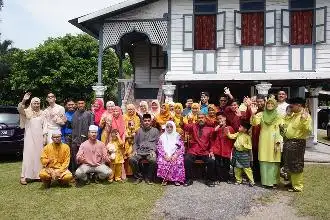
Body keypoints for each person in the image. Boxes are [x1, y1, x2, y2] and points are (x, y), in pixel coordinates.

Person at [251, 98, 283, 188]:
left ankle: (274, 181)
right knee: (264, 159)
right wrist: (253, 113)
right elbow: (254, 123)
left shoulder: (278, 115)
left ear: (275, 105)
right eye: (268, 103)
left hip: (274, 139)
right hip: (264, 139)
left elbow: (282, 126)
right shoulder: (261, 114)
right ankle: (265, 182)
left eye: (272, 104)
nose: (269, 105)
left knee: (274, 159)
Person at [282, 97, 311, 192]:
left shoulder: (305, 115)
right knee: (289, 164)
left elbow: (308, 130)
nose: (290, 106)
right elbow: (284, 125)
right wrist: (288, 115)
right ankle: (292, 182)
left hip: (297, 143)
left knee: (296, 164)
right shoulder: (293, 115)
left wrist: (303, 120)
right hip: (288, 142)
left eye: (292, 105)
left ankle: (297, 186)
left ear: (299, 105)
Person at [18, 93, 47, 185]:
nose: (36, 105)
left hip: (39, 137)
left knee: (39, 156)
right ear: (31, 103)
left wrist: (45, 137)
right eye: (34, 103)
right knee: (28, 155)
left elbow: (45, 125)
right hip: (29, 137)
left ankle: (38, 175)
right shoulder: (26, 112)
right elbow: (19, 109)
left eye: (38, 103)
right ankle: (24, 176)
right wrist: (24, 100)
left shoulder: (42, 113)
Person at [183, 113, 216, 187]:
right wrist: (182, 120)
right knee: (187, 159)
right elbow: (184, 126)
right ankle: (189, 179)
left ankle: (209, 180)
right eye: (199, 118)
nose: (200, 119)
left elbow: (212, 142)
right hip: (193, 150)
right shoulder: (193, 126)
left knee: (211, 161)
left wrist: (211, 151)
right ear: (197, 119)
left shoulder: (209, 129)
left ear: (205, 119)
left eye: (202, 118)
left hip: (204, 151)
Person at [129, 114, 159, 184]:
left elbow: (157, 143)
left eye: (148, 121)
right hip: (140, 151)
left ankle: (148, 178)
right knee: (132, 159)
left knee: (153, 160)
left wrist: (153, 151)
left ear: (151, 122)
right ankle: (138, 177)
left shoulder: (155, 131)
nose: (147, 122)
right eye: (145, 121)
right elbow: (135, 142)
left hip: (150, 151)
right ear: (142, 121)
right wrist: (135, 150)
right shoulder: (139, 131)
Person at [157, 121, 185, 186]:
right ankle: (165, 179)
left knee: (178, 161)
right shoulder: (162, 136)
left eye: (171, 127)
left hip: (175, 154)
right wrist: (165, 155)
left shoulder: (177, 136)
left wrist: (176, 155)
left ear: (173, 127)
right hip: (165, 155)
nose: (169, 128)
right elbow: (159, 147)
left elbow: (181, 146)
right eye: (167, 127)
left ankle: (176, 179)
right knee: (162, 161)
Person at [227, 121, 255, 186]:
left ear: (245, 129)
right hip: (237, 153)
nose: (239, 127)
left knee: (247, 168)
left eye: (240, 127)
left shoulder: (248, 137)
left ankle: (251, 181)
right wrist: (228, 133)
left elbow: (250, 146)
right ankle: (238, 180)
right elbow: (232, 136)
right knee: (237, 168)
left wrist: (244, 145)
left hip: (244, 154)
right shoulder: (238, 134)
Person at [71, 99, 94, 173]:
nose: (81, 105)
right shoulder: (74, 114)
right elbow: (73, 127)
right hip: (75, 140)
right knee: (76, 156)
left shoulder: (89, 114)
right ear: (77, 105)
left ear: (85, 104)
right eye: (79, 103)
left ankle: (87, 173)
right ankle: (76, 173)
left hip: (86, 140)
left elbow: (91, 127)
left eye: (82, 103)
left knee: (86, 157)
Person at [210, 113, 234, 183]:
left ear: (225, 118)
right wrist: (219, 125)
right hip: (218, 148)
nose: (219, 120)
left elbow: (232, 138)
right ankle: (218, 178)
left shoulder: (230, 128)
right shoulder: (217, 128)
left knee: (226, 164)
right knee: (217, 164)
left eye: (221, 118)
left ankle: (227, 178)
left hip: (226, 149)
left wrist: (231, 148)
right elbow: (213, 133)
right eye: (218, 119)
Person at [251, 94, 266, 182]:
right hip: (255, 137)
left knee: (263, 158)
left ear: (265, 101)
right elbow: (252, 123)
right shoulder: (255, 111)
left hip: (265, 137)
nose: (259, 103)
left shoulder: (268, 111)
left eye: (261, 101)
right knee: (256, 157)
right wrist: (253, 113)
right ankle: (257, 176)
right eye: (258, 101)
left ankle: (264, 177)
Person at [123, 104, 141, 176]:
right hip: (126, 139)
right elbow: (122, 126)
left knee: (132, 153)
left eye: (132, 109)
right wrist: (125, 133)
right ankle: (126, 172)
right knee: (125, 154)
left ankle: (132, 172)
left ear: (134, 110)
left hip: (134, 139)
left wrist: (135, 132)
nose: (130, 111)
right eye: (129, 109)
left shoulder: (137, 118)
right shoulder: (124, 117)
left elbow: (138, 127)